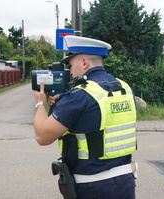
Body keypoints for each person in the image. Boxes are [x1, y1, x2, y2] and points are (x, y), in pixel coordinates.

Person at [33, 35, 137, 199]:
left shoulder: (80, 94)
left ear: (84, 62)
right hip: (125, 182)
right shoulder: (124, 88)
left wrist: (40, 103)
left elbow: (42, 136)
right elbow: (95, 118)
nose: (70, 71)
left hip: (93, 187)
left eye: (71, 64)